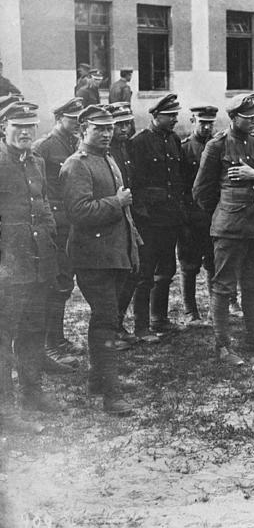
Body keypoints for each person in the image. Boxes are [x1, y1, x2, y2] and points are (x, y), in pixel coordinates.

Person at [61, 104, 142, 416]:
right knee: (106, 320)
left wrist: (132, 244)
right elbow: (78, 212)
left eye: (110, 128)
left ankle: (99, 379)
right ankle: (111, 393)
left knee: (107, 318)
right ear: (83, 130)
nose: (107, 133)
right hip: (92, 257)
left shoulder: (107, 158)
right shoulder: (76, 165)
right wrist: (116, 201)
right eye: (99, 128)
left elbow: (124, 214)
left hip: (113, 253)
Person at [193, 94, 254, 366]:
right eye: (248, 117)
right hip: (230, 229)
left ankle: (253, 339)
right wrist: (224, 213)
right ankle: (222, 346)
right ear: (233, 118)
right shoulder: (216, 146)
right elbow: (201, 191)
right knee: (223, 286)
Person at [0, 100, 63, 430]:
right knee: (3, 338)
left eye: (30, 127)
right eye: (18, 126)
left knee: (34, 330)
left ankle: (32, 392)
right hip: (8, 268)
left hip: (38, 262)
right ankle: (5, 409)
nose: (25, 132)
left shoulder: (36, 161)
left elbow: (44, 206)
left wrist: (50, 241)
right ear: (3, 128)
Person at [34, 97, 85, 372]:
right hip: (55, 223)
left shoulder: (74, 143)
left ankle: (58, 339)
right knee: (55, 284)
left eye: (79, 119)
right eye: (71, 119)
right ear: (58, 119)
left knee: (65, 283)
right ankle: (49, 346)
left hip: (72, 220)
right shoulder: (43, 146)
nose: (76, 123)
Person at [129, 93, 186, 337]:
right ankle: (141, 327)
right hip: (149, 220)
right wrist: (143, 213)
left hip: (170, 218)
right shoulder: (139, 142)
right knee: (145, 274)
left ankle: (159, 318)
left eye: (175, 115)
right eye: (169, 116)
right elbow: (135, 182)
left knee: (167, 270)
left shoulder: (174, 139)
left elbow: (179, 179)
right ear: (155, 116)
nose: (174, 119)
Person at [177, 105, 218, 326]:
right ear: (193, 121)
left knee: (214, 263)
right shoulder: (184, 148)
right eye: (202, 122)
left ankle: (214, 310)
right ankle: (190, 311)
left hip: (214, 216)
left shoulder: (219, 146)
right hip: (191, 217)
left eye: (210, 122)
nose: (206, 126)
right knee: (189, 265)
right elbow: (181, 185)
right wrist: (184, 217)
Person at [106, 102, 142, 347]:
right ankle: (111, 327)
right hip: (112, 218)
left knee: (132, 272)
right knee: (116, 276)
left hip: (130, 216)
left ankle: (117, 321)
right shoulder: (107, 151)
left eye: (127, 123)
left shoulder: (127, 147)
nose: (124, 129)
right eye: (118, 124)